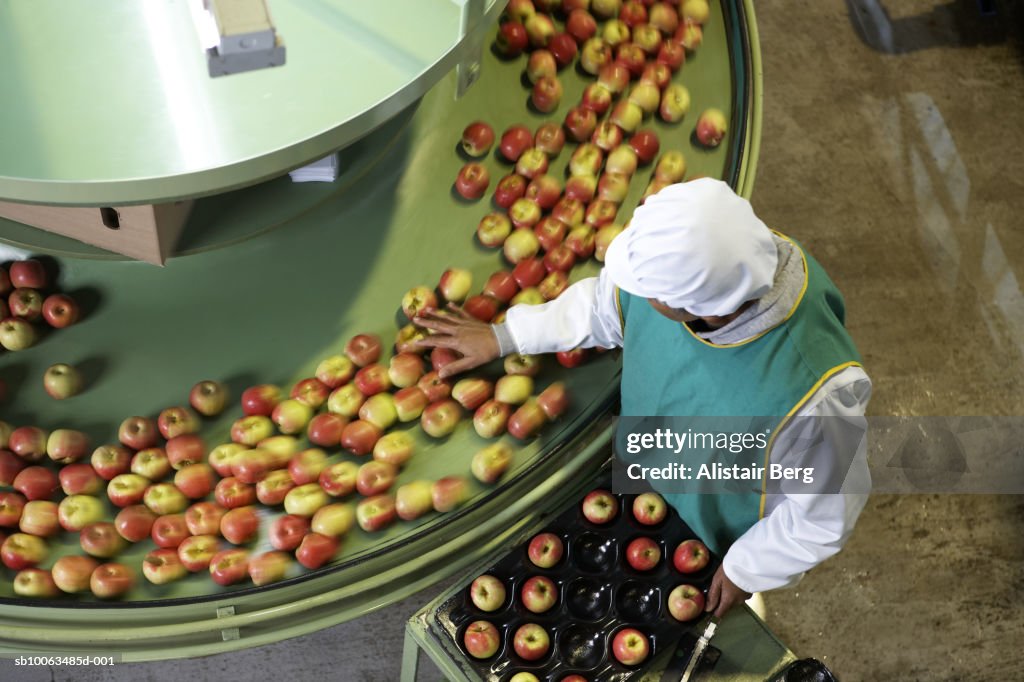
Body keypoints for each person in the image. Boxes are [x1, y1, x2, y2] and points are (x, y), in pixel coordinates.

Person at [415, 178, 871, 618]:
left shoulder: (814, 396)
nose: (636, 291)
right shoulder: (727, 261)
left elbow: (825, 516)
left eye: (651, 292)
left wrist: (745, 568)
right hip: (648, 467)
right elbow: (603, 305)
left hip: (715, 522)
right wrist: (507, 335)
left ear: (699, 308)